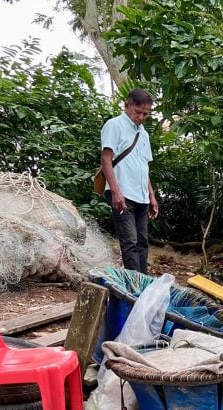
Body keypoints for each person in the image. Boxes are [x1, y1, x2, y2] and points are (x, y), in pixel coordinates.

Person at [100, 88, 158, 273]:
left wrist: (151, 195)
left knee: (142, 242)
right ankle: (134, 288)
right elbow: (106, 159)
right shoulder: (114, 125)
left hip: (141, 196)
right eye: (138, 112)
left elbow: (144, 166)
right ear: (127, 106)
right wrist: (116, 192)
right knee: (130, 242)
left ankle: (143, 284)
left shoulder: (144, 134)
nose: (141, 117)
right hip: (122, 193)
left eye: (145, 114)